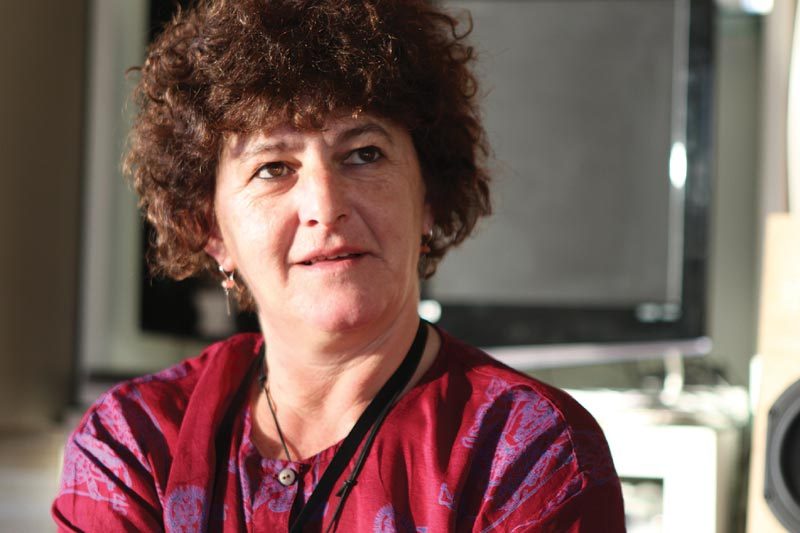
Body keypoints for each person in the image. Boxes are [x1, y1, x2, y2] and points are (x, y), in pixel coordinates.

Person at [52, 0, 625, 531]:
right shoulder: (132, 445)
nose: (325, 207)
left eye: (364, 154)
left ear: (428, 196)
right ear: (211, 229)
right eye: (273, 168)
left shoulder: (532, 452)